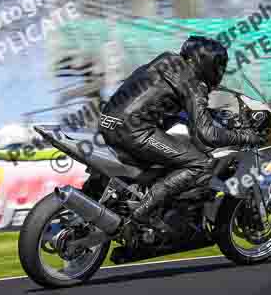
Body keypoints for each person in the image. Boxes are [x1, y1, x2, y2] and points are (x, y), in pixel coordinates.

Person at [99, 36, 262, 227]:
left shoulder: (166, 60)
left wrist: (210, 114)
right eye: (218, 65)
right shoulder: (193, 82)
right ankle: (141, 213)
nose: (219, 71)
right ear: (205, 61)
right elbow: (207, 134)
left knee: (174, 153)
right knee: (201, 163)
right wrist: (244, 135)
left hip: (108, 121)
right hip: (133, 130)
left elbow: (161, 101)